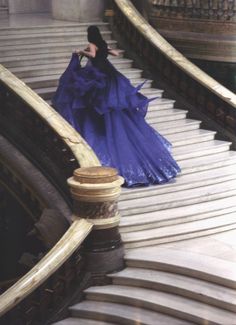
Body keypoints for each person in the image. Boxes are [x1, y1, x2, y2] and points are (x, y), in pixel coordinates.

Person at [52, 25, 180, 187]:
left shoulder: (92, 44)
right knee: (113, 106)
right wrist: (104, 52)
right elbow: (114, 53)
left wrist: (81, 52)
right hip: (110, 75)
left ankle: (100, 130)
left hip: (98, 75)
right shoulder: (103, 44)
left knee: (92, 100)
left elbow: (92, 54)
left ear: (90, 35)